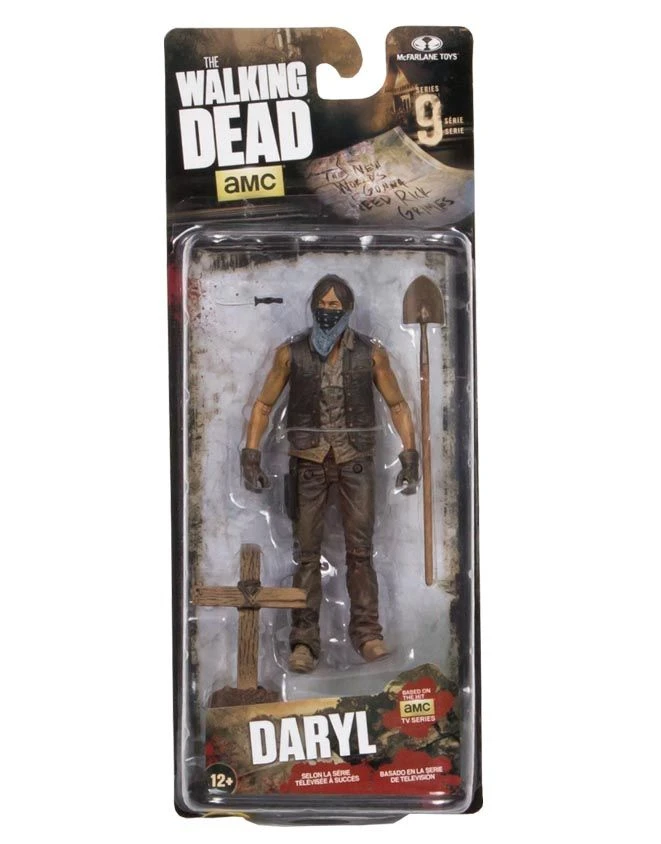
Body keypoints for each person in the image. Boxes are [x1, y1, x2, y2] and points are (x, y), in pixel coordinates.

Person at [241, 275, 419, 673]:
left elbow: (398, 405)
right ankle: (303, 641)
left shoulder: (371, 355)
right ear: (312, 307)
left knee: (361, 552)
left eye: (335, 306)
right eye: (322, 305)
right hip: (308, 460)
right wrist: (251, 452)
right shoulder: (290, 353)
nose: (327, 312)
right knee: (307, 554)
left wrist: (409, 453)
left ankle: (368, 635)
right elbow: (263, 405)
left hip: (356, 459)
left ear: (348, 310)